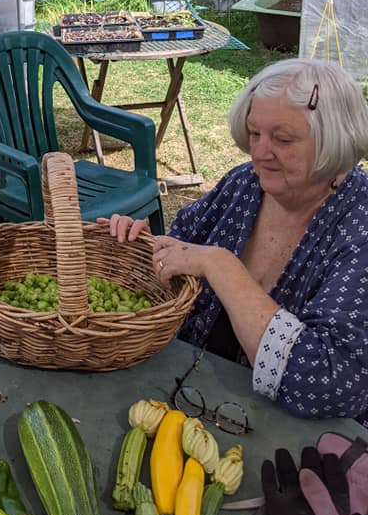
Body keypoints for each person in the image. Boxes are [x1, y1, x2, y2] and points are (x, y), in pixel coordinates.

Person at [99, 57, 368, 424]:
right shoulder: (245, 184)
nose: (259, 152)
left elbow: (324, 383)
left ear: (333, 141)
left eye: (283, 139)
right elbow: (178, 258)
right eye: (255, 133)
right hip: (192, 398)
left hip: (300, 444)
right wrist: (142, 247)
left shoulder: (359, 227)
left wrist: (221, 265)